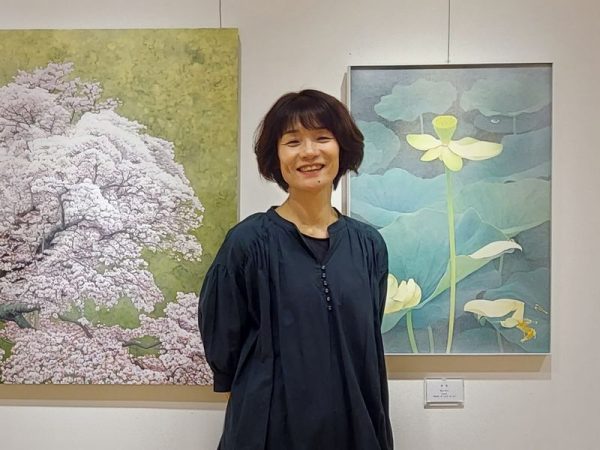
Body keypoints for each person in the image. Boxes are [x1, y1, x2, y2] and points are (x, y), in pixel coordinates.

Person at [199, 89, 393, 450]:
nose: (308, 152)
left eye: (322, 137)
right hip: (269, 428)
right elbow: (223, 343)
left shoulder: (369, 246)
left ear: (342, 148)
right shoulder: (247, 243)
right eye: (293, 141)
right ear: (275, 156)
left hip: (355, 425)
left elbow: (366, 336)